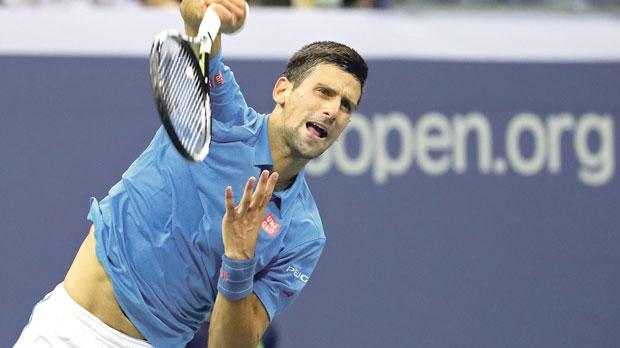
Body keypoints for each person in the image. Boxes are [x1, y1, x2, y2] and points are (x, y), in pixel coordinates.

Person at [14, 0, 368, 346]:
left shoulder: (303, 234)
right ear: (282, 91)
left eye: (346, 105)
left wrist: (239, 260)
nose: (332, 111)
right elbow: (198, 29)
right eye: (324, 92)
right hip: (63, 327)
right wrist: (205, 12)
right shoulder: (224, 116)